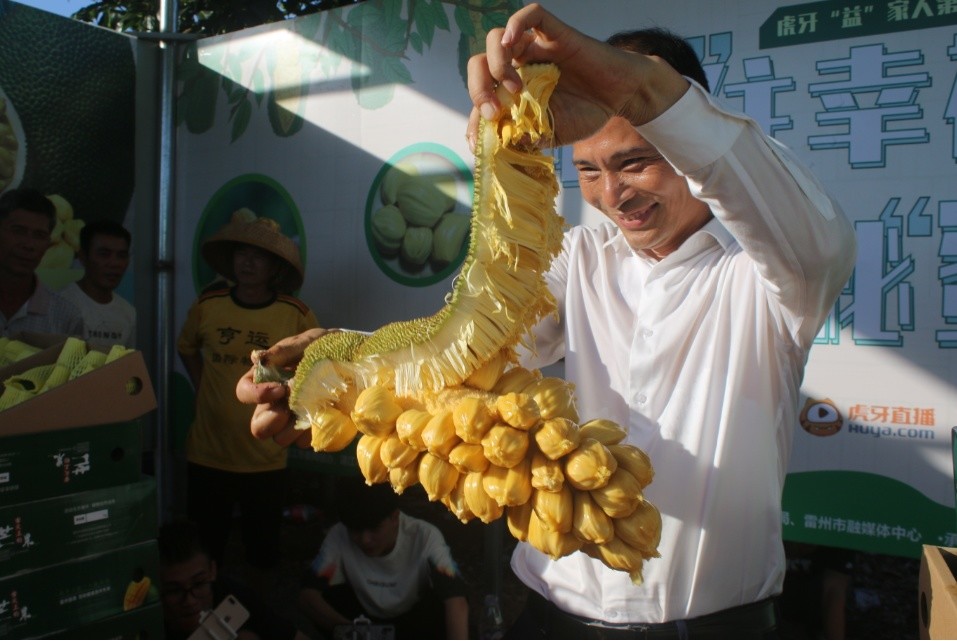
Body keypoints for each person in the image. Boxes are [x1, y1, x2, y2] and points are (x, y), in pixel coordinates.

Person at [236, 4, 857, 638]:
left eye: (636, 161)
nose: (615, 195)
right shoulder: (579, 257)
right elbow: (478, 351)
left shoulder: (766, 280)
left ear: (689, 149)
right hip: (554, 618)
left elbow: (820, 239)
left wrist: (645, 92)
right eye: (589, 169)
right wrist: (341, 364)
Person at [176, 210, 320, 581]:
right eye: (242, 253)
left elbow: (316, 366)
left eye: (259, 255)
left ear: (275, 267)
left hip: (265, 459)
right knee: (206, 551)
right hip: (208, 453)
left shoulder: (297, 315)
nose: (248, 261)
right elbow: (187, 346)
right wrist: (201, 385)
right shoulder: (208, 305)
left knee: (262, 555)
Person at [298, 477, 469, 639]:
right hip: (361, 620)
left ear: (394, 517)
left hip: (412, 622)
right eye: (356, 530)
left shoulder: (424, 536)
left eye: (374, 529)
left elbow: (456, 600)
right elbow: (307, 595)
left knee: (445, 605)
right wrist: (356, 633)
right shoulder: (339, 534)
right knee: (330, 596)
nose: (365, 539)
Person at [158, 518, 306, 639]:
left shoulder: (234, 598)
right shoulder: (148, 620)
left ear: (212, 571)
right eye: (174, 591)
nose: (189, 601)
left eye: (198, 584)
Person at [0, 188, 85, 338]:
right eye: (18, 231)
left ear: (48, 243)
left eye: (39, 235)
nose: (29, 244)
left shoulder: (67, 318)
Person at [59, 219, 137, 347]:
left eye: (121, 256)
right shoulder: (62, 305)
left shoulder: (128, 313)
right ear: (83, 257)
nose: (114, 264)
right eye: (104, 254)